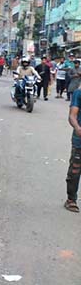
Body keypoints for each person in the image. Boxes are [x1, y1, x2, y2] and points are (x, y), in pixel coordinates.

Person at [66, 83, 81, 213]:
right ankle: (71, 200)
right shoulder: (78, 93)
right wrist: (77, 127)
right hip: (79, 140)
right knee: (75, 171)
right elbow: (72, 115)